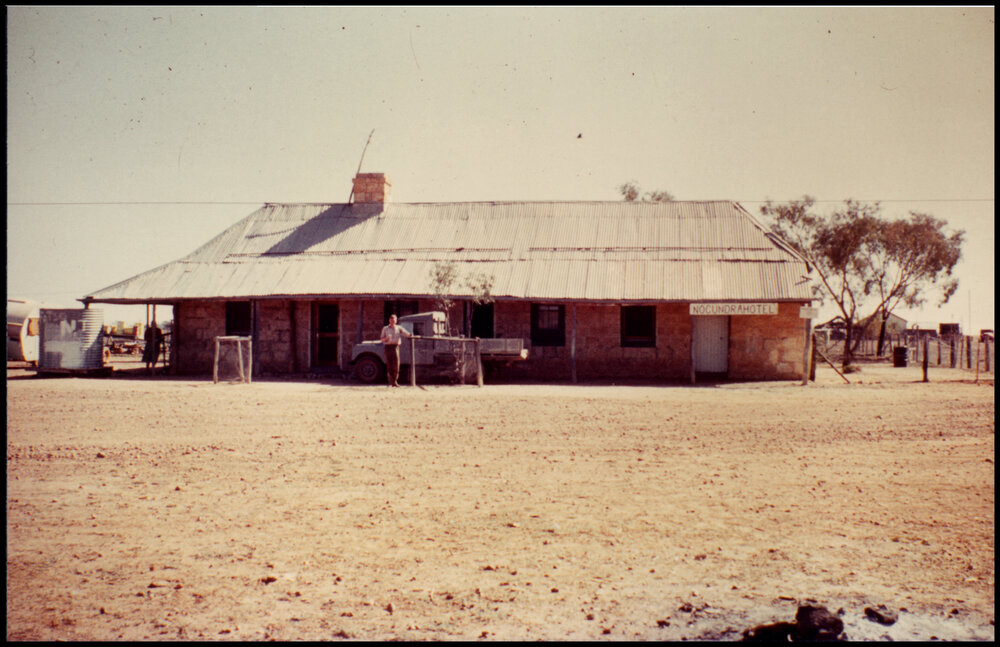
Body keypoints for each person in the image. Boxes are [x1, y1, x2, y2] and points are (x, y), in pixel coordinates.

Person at [380, 314, 412, 387]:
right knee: (389, 364)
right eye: (391, 320)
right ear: (389, 320)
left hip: (395, 347)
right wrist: (386, 339)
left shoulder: (399, 328)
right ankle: (390, 381)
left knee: (396, 364)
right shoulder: (385, 329)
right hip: (388, 347)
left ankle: (395, 381)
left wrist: (411, 335)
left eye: (394, 320)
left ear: (396, 321)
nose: (392, 321)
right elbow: (382, 339)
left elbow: (406, 333)